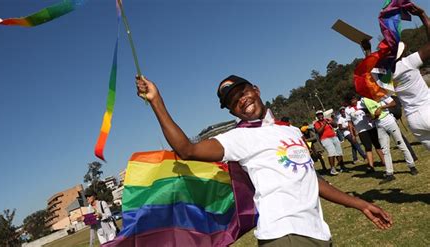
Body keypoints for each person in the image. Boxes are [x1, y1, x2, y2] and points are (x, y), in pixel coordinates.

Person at [136, 74, 392, 246]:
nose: (241, 101)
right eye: (233, 102)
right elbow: (186, 150)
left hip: (318, 233)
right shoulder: (238, 138)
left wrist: (359, 204)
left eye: (243, 92)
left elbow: (312, 180)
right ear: (230, 111)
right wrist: (157, 101)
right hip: (284, 236)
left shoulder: (289, 130)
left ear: (256, 90)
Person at [361, 4, 430, 150]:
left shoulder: (383, 75)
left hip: (413, 120)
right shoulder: (408, 63)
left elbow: (368, 70)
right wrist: (423, 16)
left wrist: (367, 50)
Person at [361, 96, 418, 184]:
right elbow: (367, 115)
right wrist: (373, 116)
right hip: (379, 125)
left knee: (401, 145)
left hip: (390, 122)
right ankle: (389, 173)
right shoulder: (364, 100)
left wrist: (381, 107)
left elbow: (393, 103)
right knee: (385, 150)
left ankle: (412, 166)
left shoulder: (381, 94)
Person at [345, 95, 386, 174]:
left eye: (354, 98)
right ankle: (371, 166)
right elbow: (349, 123)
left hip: (371, 127)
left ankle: (384, 161)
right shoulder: (347, 110)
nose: (354, 100)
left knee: (377, 145)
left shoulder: (362, 103)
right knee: (368, 147)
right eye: (352, 99)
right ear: (349, 101)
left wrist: (370, 116)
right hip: (361, 131)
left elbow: (372, 111)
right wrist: (353, 135)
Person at [314, 110, 347, 175]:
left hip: (334, 137)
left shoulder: (327, 120)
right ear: (317, 117)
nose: (320, 116)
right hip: (325, 139)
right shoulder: (316, 123)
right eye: (318, 115)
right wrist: (324, 124)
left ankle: (342, 167)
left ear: (323, 115)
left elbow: (335, 126)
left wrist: (331, 122)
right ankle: (332, 169)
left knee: (339, 152)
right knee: (331, 153)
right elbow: (319, 132)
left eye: (321, 114)